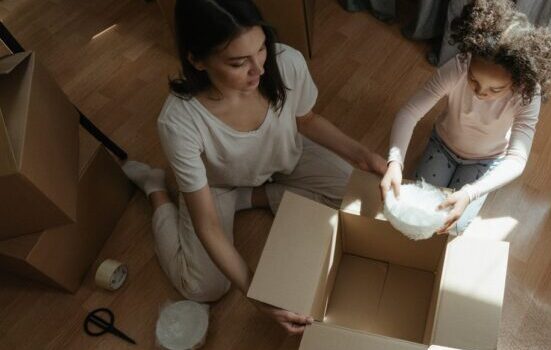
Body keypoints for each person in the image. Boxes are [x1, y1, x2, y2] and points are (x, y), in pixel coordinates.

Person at [121, 0, 386, 335]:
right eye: (237, 62)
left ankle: (254, 197)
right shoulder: (179, 121)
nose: (259, 70)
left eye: (261, 48)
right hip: (216, 185)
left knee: (360, 197)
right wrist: (256, 293)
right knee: (206, 288)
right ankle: (156, 189)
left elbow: (308, 120)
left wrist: (367, 158)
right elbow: (208, 228)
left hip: (285, 156)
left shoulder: (286, 62)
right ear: (197, 60)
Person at [380, 0, 551, 234]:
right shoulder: (458, 67)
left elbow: (517, 159)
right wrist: (394, 162)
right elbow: (409, 112)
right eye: (474, 81)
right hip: (443, 145)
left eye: (495, 90)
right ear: (469, 60)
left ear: (517, 81)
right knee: (420, 209)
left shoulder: (527, 92)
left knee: (452, 225)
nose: (480, 93)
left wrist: (470, 193)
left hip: (487, 159)